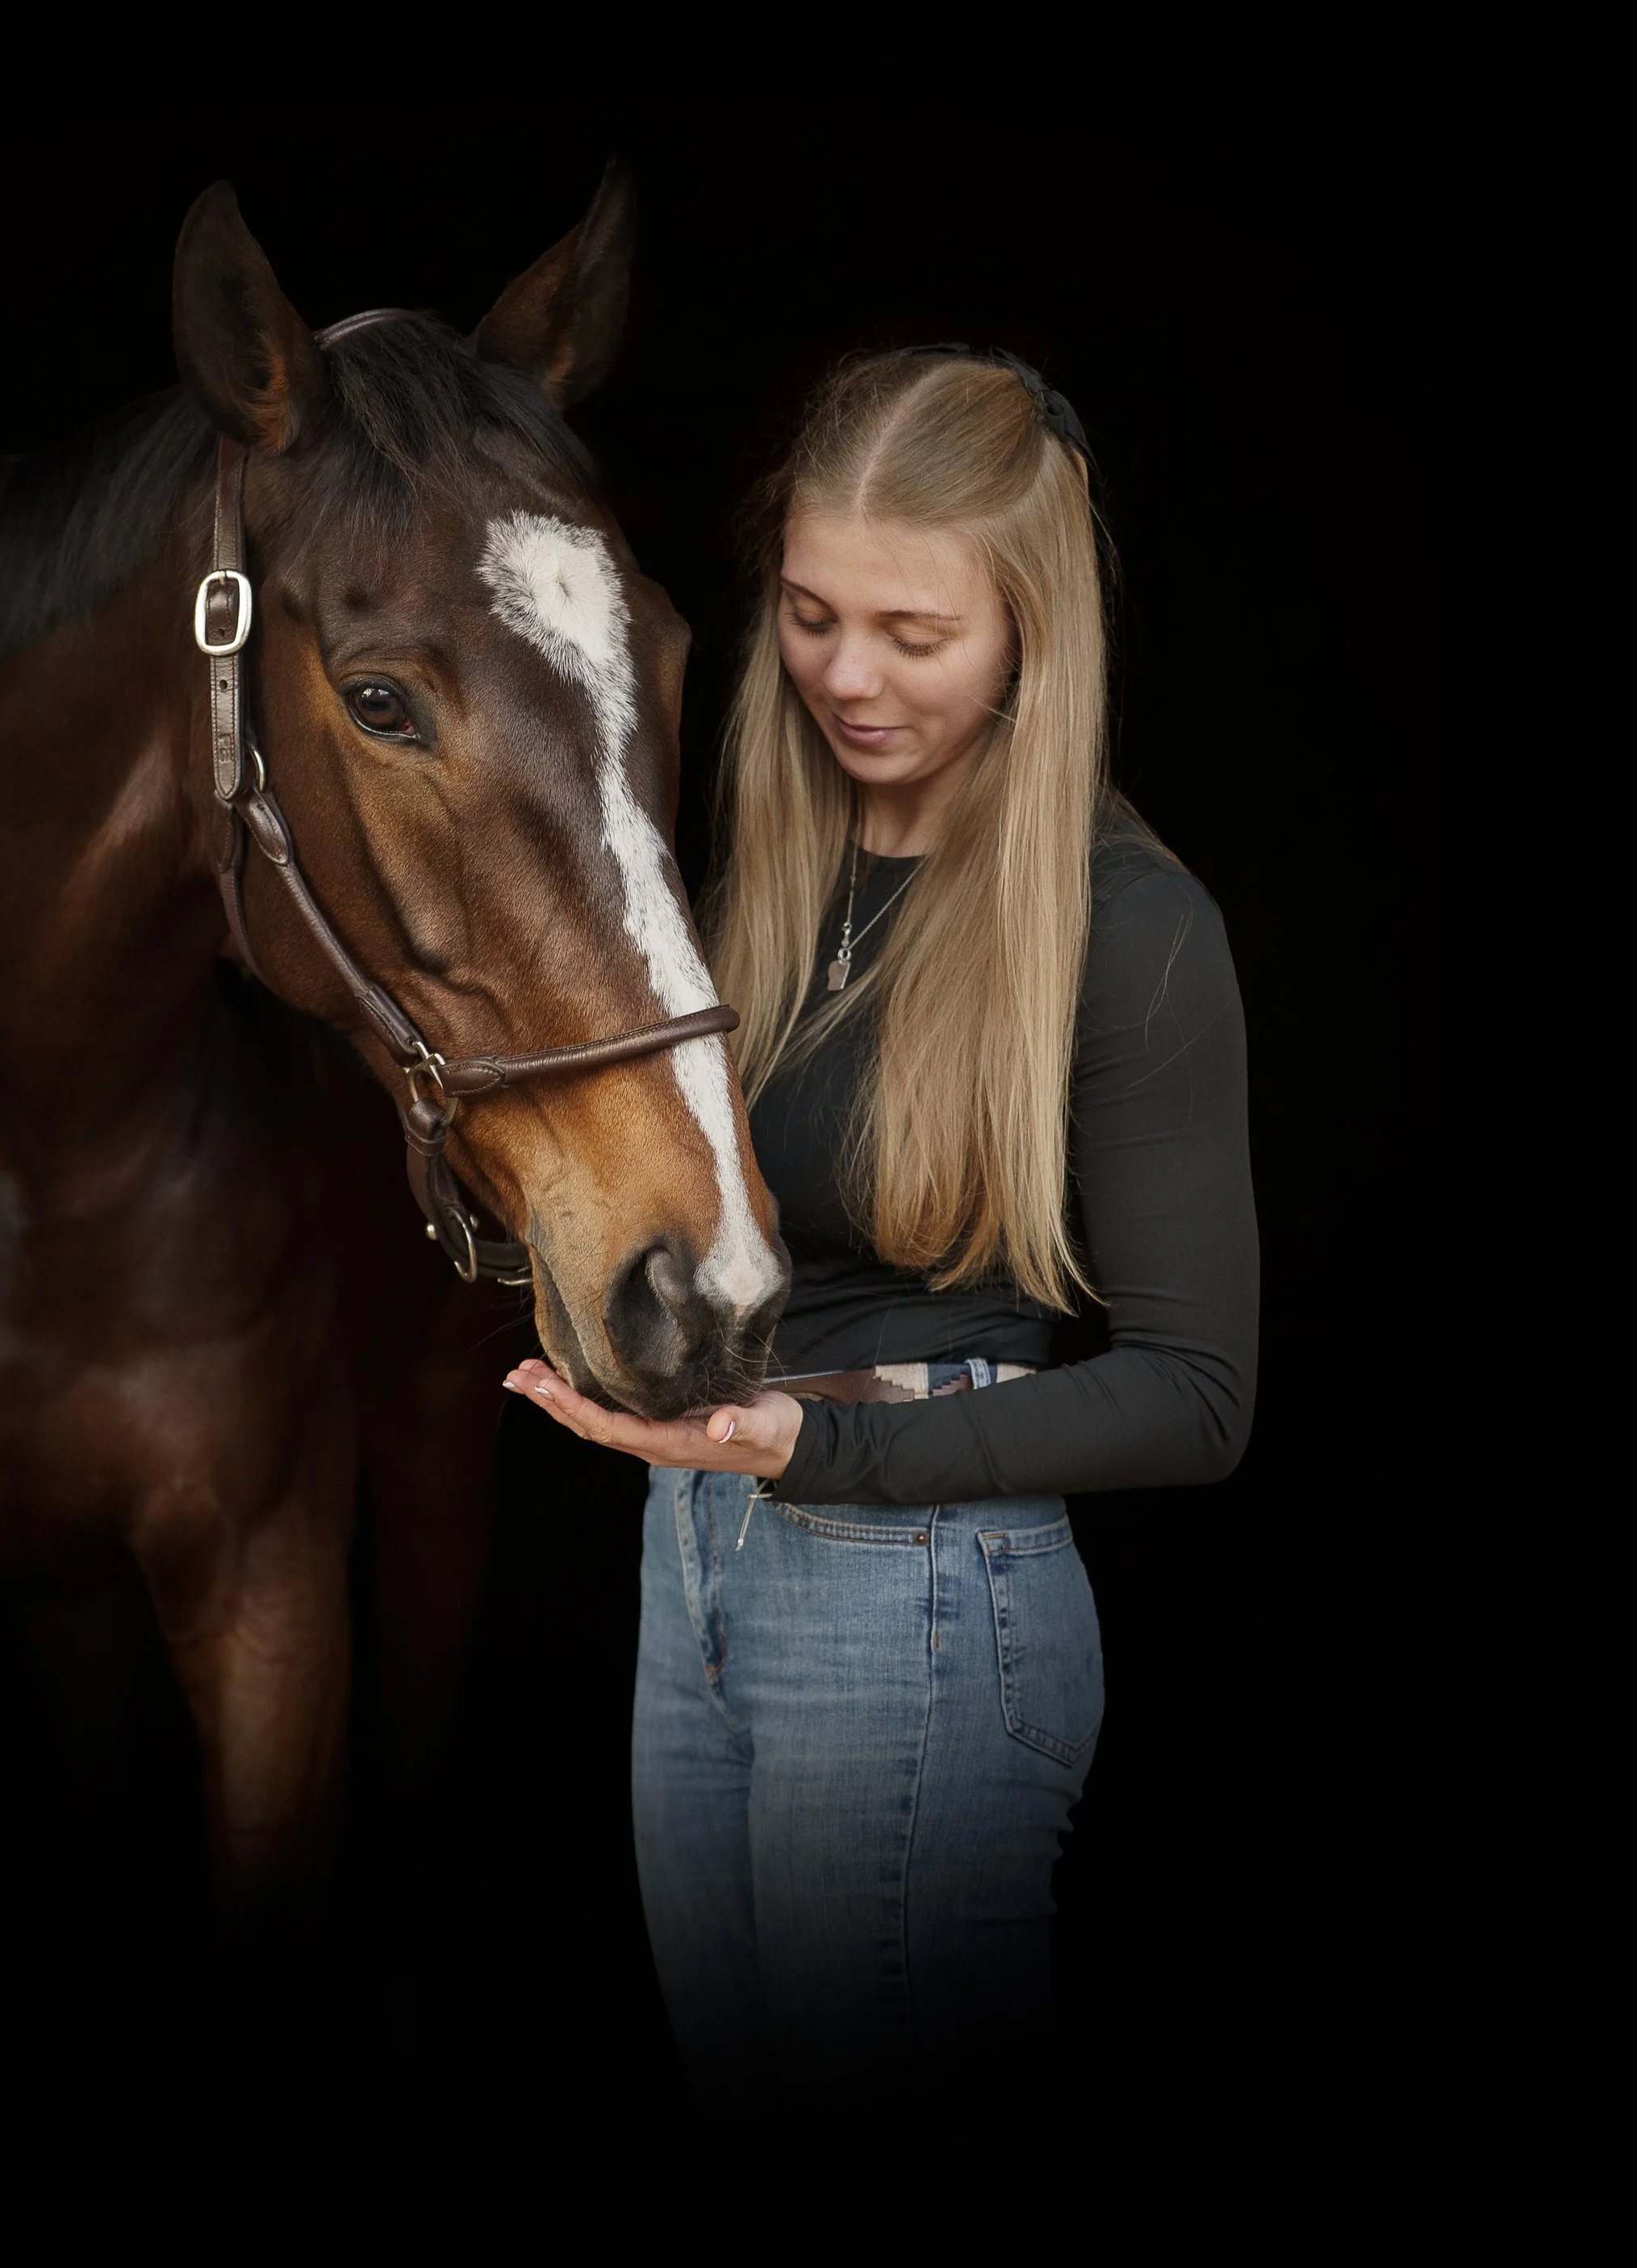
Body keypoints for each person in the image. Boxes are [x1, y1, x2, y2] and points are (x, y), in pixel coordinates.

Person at [504, 346, 1258, 2120]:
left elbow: (1195, 1396)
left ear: (1025, 633)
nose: (844, 676)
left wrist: (827, 1451)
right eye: (809, 613)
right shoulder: (752, 866)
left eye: (912, 637)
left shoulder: (1131, 930)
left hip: (918, 1602)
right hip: (691, 1556)